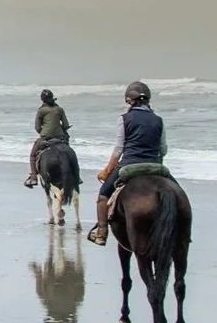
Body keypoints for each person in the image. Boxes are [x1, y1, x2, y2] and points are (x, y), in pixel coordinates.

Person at [87, 81, 167, 245]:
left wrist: (108, 170)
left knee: (103, 196)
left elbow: (119, 149)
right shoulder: (159, 120)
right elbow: (163, 149)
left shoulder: (124, 119)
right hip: (155, 165)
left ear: (129, 101)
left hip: (129, 165)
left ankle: (101, 232)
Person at [24, 88, 71, 187]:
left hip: (46, 137)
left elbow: (37, 127)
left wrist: (45, 133)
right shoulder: (59, 109)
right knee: (69, 152)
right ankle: (76, 176)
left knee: (33, 155)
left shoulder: (41, 110)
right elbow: (66, 125)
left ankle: (33, 177)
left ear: (43, 100)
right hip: (60, 137)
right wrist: (60, 130)